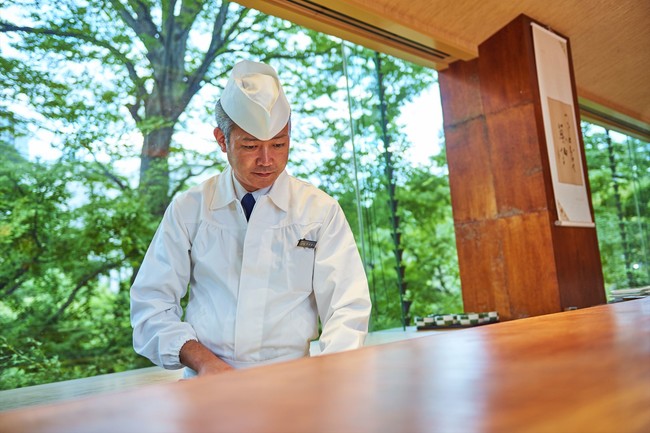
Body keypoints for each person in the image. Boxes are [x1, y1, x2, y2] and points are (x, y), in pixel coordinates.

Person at [130, 59, 372, 378]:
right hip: (209, 379)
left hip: (295, 380)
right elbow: (151, 304)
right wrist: (206, 363)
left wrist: (329, 376)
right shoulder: (189, 208)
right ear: (222, 141)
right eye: (250, 146)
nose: (267, 160)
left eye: (279, 145)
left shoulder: (320, 210)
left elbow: (347, 307)